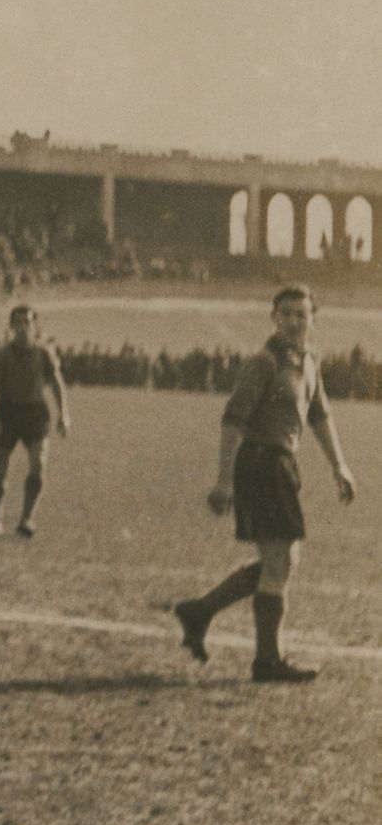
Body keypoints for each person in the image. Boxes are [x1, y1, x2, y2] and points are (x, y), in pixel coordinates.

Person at [173, 284, 355, 684]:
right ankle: (267, 661)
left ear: (313, 319)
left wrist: (339, 465)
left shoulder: (309, 361)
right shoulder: (264, 362)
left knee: (283, 560)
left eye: (301, 314)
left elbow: (320, 416)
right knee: (281, 561)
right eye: (285, 313)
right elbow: (233, 419)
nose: (293, 321)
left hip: (284, 464)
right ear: (274, 318)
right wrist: (223, 481)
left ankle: (201, 611)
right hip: (259, 463)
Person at [0, 304, 69, 536]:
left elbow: (57, 382)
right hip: (7, 411)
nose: (22, 327)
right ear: (11, 326)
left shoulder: (44, 353)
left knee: (38, 463)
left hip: (35, 412)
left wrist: (64, 414)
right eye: (17, 323)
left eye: (27, 322)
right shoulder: (1, 354)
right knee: (0, 466)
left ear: (34, 325)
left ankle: (27, 518)